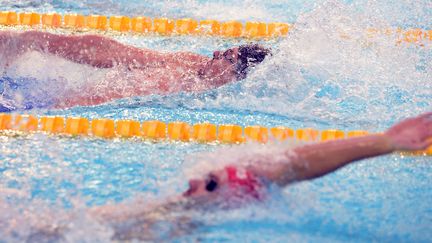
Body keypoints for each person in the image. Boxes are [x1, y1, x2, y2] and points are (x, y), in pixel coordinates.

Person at [0, 30, 270, 110]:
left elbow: (102, 98)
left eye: (226, 56)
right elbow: (123, 54)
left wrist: (47, 113)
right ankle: (30, 41)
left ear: (235, 75)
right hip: (53, 96)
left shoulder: (181, 84)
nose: (215, 53)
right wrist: (37, 42)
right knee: (121, 54)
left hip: (54, 104)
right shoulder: (193, 64)